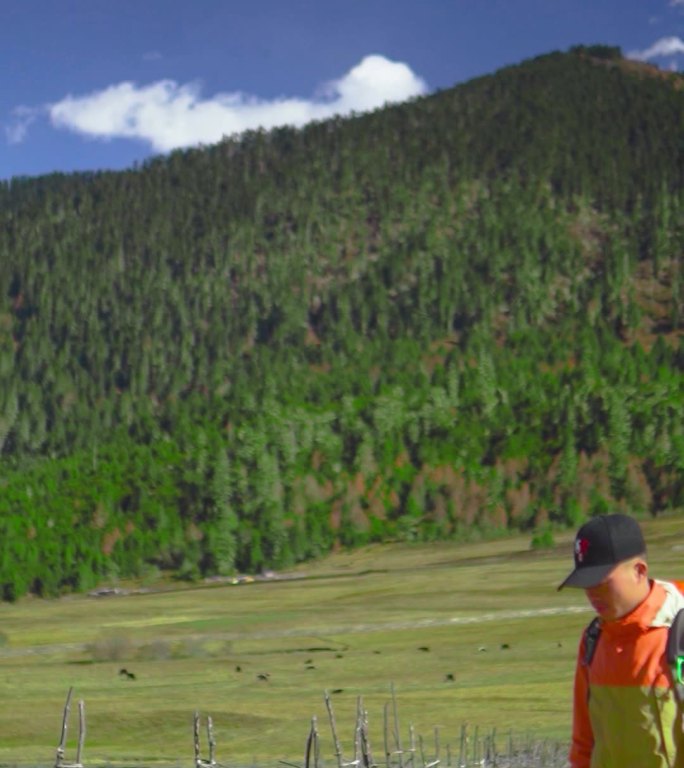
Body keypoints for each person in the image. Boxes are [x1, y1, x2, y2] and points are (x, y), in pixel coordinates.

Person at [558, 513, 684, 768]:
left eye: (601, 583)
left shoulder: (678, 631)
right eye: (585, 584)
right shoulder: (592, 641)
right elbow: (583, 745)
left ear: (639, 571)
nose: (592, 594)